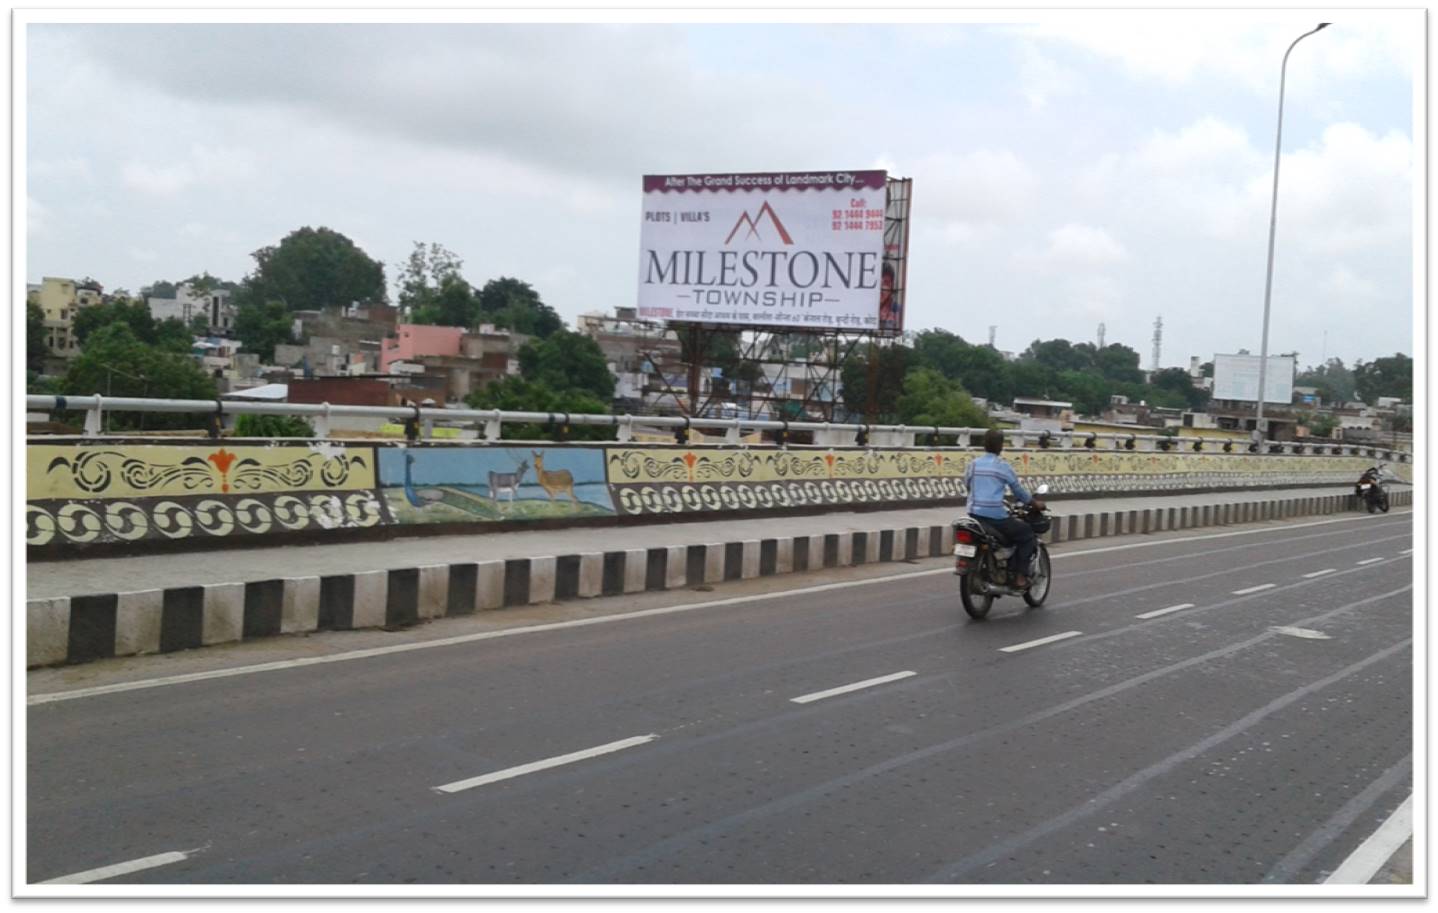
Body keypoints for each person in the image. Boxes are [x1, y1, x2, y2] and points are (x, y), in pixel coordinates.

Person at [964, 428, 1044, 588]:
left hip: (973, 514)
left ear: (984, 445)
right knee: (1026, 534)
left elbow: (968, 485)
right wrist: (1035, 503)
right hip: (995, 517)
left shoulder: (973, 465)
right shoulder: (1003, 467)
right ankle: (1019, 576)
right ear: (1000, 446)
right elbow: (1019, 491)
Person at [878, 262, 900, 330]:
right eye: (877, 283)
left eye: (886, 283)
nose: (881, 288)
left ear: (892, 286)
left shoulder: (897, 311)